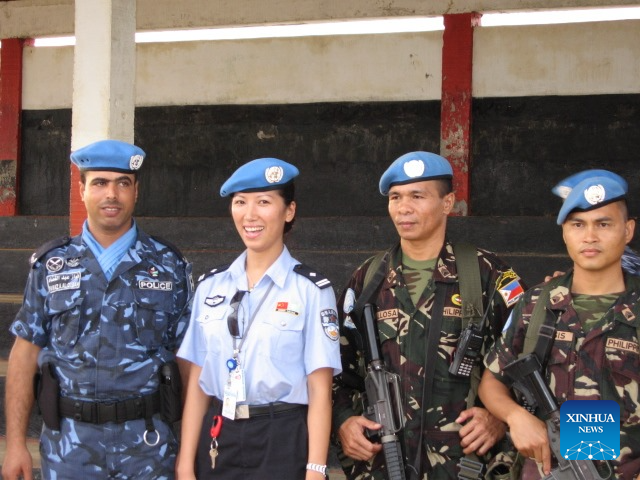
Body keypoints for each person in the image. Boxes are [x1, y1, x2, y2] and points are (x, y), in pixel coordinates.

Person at [2, 139, 193, 480]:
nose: (112, 195)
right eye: (100, 183)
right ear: (82, 189)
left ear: (136, 191)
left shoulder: (168, 265)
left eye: (123, 183)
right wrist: (16, 443)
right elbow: (24, 355)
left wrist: (189, 452)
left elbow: (189, 359)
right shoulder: (51, 265)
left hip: (148, 448)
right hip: (69, 448)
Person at [332, 151, 527, 479]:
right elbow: (335, 367)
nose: (403, 208)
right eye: (395, 197)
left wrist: (501, 416)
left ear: (447, 203)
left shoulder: (488, 274)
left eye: (417, 196)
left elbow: (532, 357)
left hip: (465, 465)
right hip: (383, 463)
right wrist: (343, 421)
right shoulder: (367, 280)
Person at [175, 157, 342, 480]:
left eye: (263, 202)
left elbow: (320, 390)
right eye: (240, 202)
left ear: (289, 211)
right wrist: (184, 464)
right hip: (218, 434)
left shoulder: (311, 290)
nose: (249, 215)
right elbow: (197, 380)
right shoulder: (211, 286)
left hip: (281, 437)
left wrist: (316, 469)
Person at [479, 169, 640, 478]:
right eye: (578, 224)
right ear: (565, 233)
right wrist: (515, 417)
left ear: (628, 230)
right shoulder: (536, 304)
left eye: (603, 224)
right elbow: (492, 381)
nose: (590, 236)